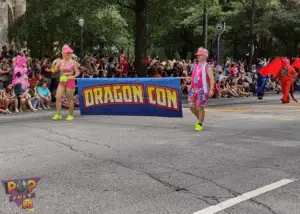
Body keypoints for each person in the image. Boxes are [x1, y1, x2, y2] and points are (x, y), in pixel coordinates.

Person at [188, 48, 215, 131]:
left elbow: (212, 79)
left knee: (199, 107)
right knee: (191, 106)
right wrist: (190, 84)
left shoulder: (208, 67)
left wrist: (211, 89)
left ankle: (200, 123)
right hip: (194, 89)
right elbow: (193, 77)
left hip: (202, 89)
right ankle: (200, 118)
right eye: (198, 55)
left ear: (205, 56)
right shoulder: (196, 66)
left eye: (200, 55)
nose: (198, 56)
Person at [52, 45, 80, 121]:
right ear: (63, 53)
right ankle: (58, 114)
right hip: (62, 81)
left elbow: (77, 72)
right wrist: (54, 63)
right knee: (58, 97)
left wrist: (73, 76)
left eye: (69, 53)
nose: (68, 54)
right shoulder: (60, 62)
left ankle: (70, 115)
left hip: (70, 81)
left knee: (70, 98)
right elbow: (54, 71)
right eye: (66, 53)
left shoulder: (73, 62)